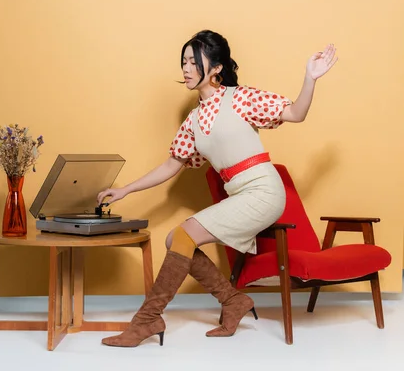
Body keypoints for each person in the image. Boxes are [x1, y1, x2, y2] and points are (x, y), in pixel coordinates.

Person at [97, 30, 338, 347]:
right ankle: (233, 301)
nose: (186, 68)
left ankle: (146, 320)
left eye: (193, 61)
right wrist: (126, 190)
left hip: (264, 190)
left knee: (181, 236)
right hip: (240, 195)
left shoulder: (240, 98)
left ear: (216, 68)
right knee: (176, 239)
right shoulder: (193, 120)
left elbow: (295, 113)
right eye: (183, 61)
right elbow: (172, 165)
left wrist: (310, 78)